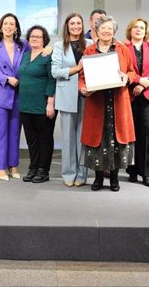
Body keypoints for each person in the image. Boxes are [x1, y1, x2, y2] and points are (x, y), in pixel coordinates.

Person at [79, 15, 136, 192]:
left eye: (109, 28)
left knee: (116, 141)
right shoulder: (89, 51)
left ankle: (114, 179)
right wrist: (83, 88)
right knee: (98, 141)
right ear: (96, 30)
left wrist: (127, 77)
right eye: (103, 28)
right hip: (97, 102)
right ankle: (97, 179)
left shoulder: (123, 49)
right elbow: (82, 77)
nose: (106, 31)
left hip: (118, 101)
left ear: (114, 31)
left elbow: (132, 72)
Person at [0, 13, 29, 181]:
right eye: (6, 24)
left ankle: (13, 165)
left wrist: (47, 49)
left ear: (16, 27)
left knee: (15, 132)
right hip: (0, 95)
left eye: (12, 24)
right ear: (1, 27)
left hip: (19, 94)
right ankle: (1, 167)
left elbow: (35, 57)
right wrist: (6, 79)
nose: (9, 26)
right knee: (0, 133)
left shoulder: (23, 45)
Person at [51, 13, 92, 187]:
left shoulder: (90, 44)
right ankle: (68, 174)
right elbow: (55, 72)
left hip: (87, 94)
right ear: (67, 26)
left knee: (83, 137)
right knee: (67, 138)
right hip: (66, 94)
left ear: (82, 26)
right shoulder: (59, 45)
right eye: (72, 23)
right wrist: (77, 68)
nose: (75, 26)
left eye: (78, 23)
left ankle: (82, 175)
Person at [124, 18, 149, 188]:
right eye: (136, 27)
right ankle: (132, 170)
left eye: (142, 28)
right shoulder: (123, 48)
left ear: (146, 31)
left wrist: (143, 84)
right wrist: (139, 81)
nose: (139, 30)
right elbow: (123, 70)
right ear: (130, 30)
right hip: (129, 96)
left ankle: (147, 173)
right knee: (131, 135)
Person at [19, 25, 56, 184]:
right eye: (32, 36)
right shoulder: (25, 55)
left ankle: (43, 170)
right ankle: (33, 167)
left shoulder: (48, 55)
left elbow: (51, 79)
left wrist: (50, 103)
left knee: (45, 138)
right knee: (31, 139)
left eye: (38, 36)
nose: (34, 38)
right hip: (26, 105)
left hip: (42, 105)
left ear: (44, 40)